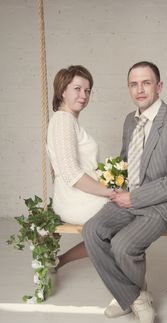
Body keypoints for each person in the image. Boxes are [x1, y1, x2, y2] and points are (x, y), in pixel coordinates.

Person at [82, 61, 167, 323]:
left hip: (165, 203)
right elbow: (126, 160)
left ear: (159, 86)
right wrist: (115, 185)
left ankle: (128, 298)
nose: (140, 89)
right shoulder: (129, 120)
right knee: (92, 230)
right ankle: (134, 297)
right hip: (131, 196)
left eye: (146, 82)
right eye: (134, 84)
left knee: (123, 244)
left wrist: (134, 198)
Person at [47, 65, 112, 269]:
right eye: (77, 89)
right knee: (131, 216)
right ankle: (129, 282)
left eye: (87, 90)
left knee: (127, 216)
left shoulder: (69, 121)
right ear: (62, 91)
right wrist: (109, 192)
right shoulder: (63, 121)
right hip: (76, 199)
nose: (83, 95)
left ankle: (59, 261)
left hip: (79, 195)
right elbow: (72, 174)